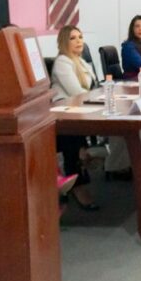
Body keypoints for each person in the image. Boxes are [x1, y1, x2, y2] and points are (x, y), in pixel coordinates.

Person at [51, 26, 101, 211]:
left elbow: (94, 89)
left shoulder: (81, 62)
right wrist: (100, 99)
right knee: (73, 139)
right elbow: (77, 93)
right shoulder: (63, 62)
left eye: (80, 37)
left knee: (78, 139)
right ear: (65, 41)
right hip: (64, 115)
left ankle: (82, 163)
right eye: (73, 38)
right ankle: (78, 184)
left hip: (80, 110)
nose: (79, 41)